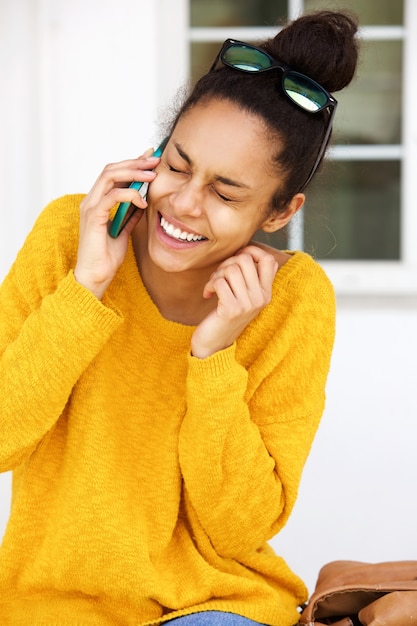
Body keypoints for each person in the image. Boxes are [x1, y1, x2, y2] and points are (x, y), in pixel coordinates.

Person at [0, 9, 359, 626]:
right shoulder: (71, 234)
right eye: (177, 165)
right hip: (51, 607)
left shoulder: (294, 299)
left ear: (279, 212)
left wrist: (213, 358)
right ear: (154, 154)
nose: (185, 204)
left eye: (225, 194)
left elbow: (239, 528)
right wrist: (87, 288)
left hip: (214, 605)